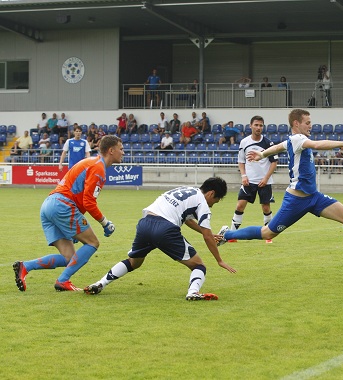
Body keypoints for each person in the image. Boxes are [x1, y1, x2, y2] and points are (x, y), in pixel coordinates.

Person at [217, 108, 343, 275]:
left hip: (314, 197)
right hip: (296, 200)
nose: (310, 126)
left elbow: (277, 147)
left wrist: (261, 155)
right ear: (296, 124)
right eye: (308, 122)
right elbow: (318, 145)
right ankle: (227, 234)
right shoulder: (299, 138)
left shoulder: (292, 140)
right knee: (267, 232)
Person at [83, 177, 236, 300]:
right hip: (165, 229)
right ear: (211, 193)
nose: (212, 205)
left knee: (134, 262)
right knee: (199, 266)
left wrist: (204, 232)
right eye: (215, 201)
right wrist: (219, 260)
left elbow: (188, 219)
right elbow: (207, 235)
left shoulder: (186, 190)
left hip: (145, 223)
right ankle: (193, 293)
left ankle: (100, 283)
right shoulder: (202, 202)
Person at [12, 135, 124, 292]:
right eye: (121, 149)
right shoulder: (98, 168)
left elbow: (80, 197)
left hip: (49, 205)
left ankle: (25, 266)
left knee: (69, 258)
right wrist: (105, 223)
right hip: (63, 205)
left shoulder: (92, 162)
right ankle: (63, 280)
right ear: (111, 150)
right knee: (93, 243)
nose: (123, 152)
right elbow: (89, 202)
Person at [228, 116, 278, 244]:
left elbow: (274, 162)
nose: (258, 128)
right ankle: (233, 235)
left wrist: (266, 178)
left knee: (266, 208)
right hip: (248, 181)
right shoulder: (244, 142)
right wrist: (244, 176)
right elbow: (241, 161)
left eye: (261, 125)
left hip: (264, 182)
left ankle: (269, 236)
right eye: (256, 125)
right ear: (250, 126)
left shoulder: (268, 143)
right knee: (240, 205)